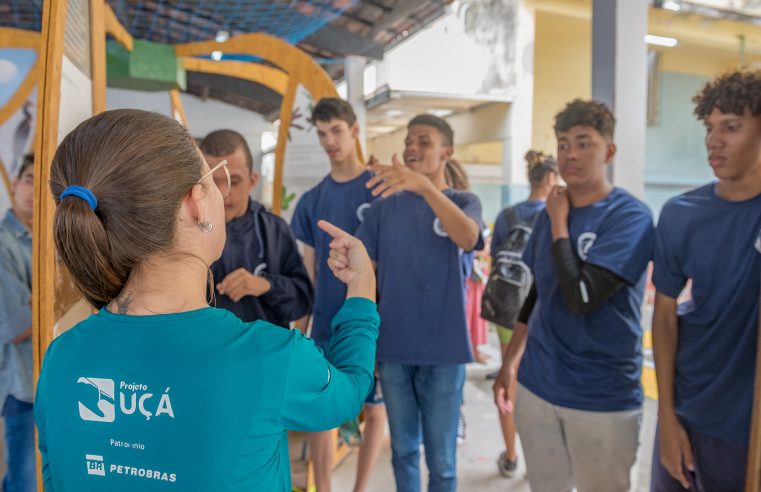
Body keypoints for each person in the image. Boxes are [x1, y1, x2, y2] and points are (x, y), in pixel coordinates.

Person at [33, 109, 379, 492]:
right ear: (196, 203)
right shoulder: (271, 358)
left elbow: (55, 477)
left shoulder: (61, 358)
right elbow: (349, 392)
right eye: (215, 180)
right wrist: (362, 287)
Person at [493, 99, 655, 492]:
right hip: (539, 385)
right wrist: (510, 362)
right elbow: (536, 293)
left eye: (584, 143)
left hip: (602, 396)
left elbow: (580, 296)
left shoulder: (629, 217)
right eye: (563, 144)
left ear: (609, 151)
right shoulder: (544, 214)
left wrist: (560, 223)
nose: (571, 154)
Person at [357, 114, 484, 492]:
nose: (412, 148)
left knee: (442, 462)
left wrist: (428, 189)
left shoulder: (463, 201)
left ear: (447, 151)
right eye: (409, 141)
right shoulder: (383, 209)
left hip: (444, 353)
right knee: (403, 452)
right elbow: (367, 274)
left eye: (423, 141)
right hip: (394, 349)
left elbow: (468, 238)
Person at [650, 70, 761, 491]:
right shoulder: (682, 213)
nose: (714, 141)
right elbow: (663, 315)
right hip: (689, 410)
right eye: (710, 128)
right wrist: (667, 418)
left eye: (731, 128)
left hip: (748, 425)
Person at [290, 97, 386, 492]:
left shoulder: (380, 192)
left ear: (355, 130)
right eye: (322, 133)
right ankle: (324, 487)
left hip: (373, 325)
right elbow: (310, 275)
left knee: (375, 409)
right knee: (321, 412)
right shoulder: (311, 201)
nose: (330, 140)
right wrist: (302, 330)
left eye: (337, 131)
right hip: (327, 324)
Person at [488, 150, 558, 478]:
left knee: (509, 376)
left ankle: (512, 455)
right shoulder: (556, 214)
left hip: (508, 308)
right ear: (549, 179)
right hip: (546, 310)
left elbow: (494, 260)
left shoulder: (506, 214)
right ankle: (538, 459)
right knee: (543, 382)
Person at [198, 129, 313, 326]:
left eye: (233, 182)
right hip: (208, 352)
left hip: (266, 352)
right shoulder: (185, 233)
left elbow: (302, 302)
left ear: (252, 181)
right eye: (212, 182)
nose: (223, 193)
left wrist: (266, 285)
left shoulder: (275, 231)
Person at [0, 153, 36, 492]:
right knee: (25, 482)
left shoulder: (46, 242)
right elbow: (16, 327)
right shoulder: (3, 243)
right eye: (29, 179)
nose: (34, 191)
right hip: (21, 386)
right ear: (14, 182)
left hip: (46, 381)